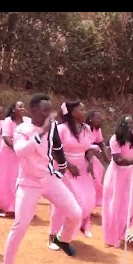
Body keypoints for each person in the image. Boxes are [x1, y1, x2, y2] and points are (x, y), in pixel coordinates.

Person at [0, 94, 83, 264]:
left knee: (75, 213)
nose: (49, 114)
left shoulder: (51, 126)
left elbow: (57, 147)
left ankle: (62, 239)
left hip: (49, 178)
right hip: (28, 183)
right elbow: (20, 151)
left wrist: (64, 164)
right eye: (45, 110)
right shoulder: (22, 129)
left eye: (50, 110)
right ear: (34, 111)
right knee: (20, 225)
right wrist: (40, 133)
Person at [48, 101, 97, 244]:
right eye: (81, 109)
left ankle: (71, 230)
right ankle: (52, 236)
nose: (84, 112)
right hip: (63, 169)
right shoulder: (61, 129)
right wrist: (68, 165)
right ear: (72, 113)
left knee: (88, 201)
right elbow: (53, 150)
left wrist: (90, 162)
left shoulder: (86, 128)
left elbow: (88, 149)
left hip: (82, 168)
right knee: (61, 204)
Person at [102, 115, 133, 248]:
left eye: (132, 124)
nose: (130, 127)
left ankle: (126, 233)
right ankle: (112, 237)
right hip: (116, 176)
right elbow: (119, 161)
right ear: (121, 125)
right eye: (127, 124)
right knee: (116, 207)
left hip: (131, 175)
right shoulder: (115, 139)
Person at [0, 101, 30, 217]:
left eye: (23, 106)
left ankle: (18, 208)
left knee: (20, 181)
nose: (23, 108)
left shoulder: (28, 121)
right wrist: (18, 148)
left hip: (22, 155)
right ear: (13, 110)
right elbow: (6, 138)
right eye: (20, 106)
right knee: (5, 180)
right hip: (8, 155)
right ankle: (3, 207)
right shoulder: (8, 121)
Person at [85, 109, 110, 207]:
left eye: (100, 118)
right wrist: (94, 148)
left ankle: (97, 197)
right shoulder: (84, 128)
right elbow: (84, 144)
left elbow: (101, 143)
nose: (99, 120)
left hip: (90, 154)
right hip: (82, 154)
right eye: (97, 118)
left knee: (100, 169)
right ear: (90, 119)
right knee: (95, 172)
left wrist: (106, 157)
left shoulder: (97, 130)